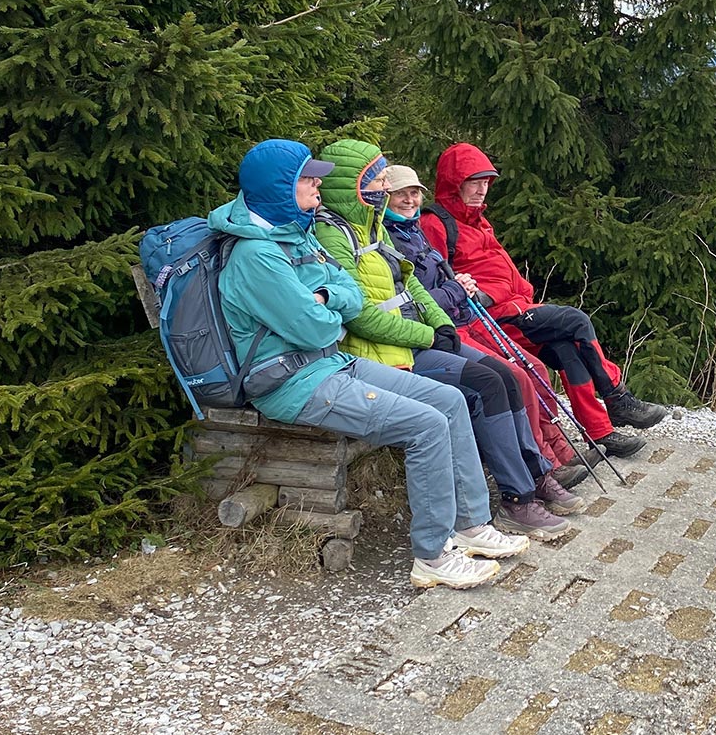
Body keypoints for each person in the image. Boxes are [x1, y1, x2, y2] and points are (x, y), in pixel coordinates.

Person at [209, 138, 529, 590]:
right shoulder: (256, 256)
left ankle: (471, 525)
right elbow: (318, 330)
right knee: (425, 426)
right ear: (280, 188)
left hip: (331, 363)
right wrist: (328, 307)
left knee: (450, 401)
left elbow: (349, 293)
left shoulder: (295, 233)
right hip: (293, 382)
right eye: (307, 178)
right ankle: (432, 555)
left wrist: (324, 298)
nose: (317, 185)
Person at [311, 139, 587, 541]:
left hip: (416, 338)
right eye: (378, 179)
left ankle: (536, 475)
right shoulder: (334, 235)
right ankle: (518, 498)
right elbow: (363, 316)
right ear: (354, 183)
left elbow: (412, 286)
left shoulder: (372, 225)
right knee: (487, 384)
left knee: (507, 376)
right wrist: (430, 334)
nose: (386, 186)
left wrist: (440, 325)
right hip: (387, 351)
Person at [423, 143, 668, 459]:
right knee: (575, 321)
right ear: (453, 183)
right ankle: (616, 396)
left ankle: (601, 433)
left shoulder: (478, 221)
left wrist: (519, 292)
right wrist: (488, 295)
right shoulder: (436, 223)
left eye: (486, 182)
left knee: (566, 349)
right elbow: (437, 278)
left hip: (516, 307)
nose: (482, 190)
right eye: (473, 182)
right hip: (490, 317)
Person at [379, 165, 585, 484]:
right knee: (516, 376)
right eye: (400, 194)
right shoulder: (393, 238)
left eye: (414, 193)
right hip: (444, 327)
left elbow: (437, 280)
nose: (409, 200)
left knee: (534, 368)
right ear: (384, 198)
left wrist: (459, 284)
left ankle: (560, 453)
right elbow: (415, 301)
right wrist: (455, 289)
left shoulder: (414, 230)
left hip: (464, 315)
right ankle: (543, 464)